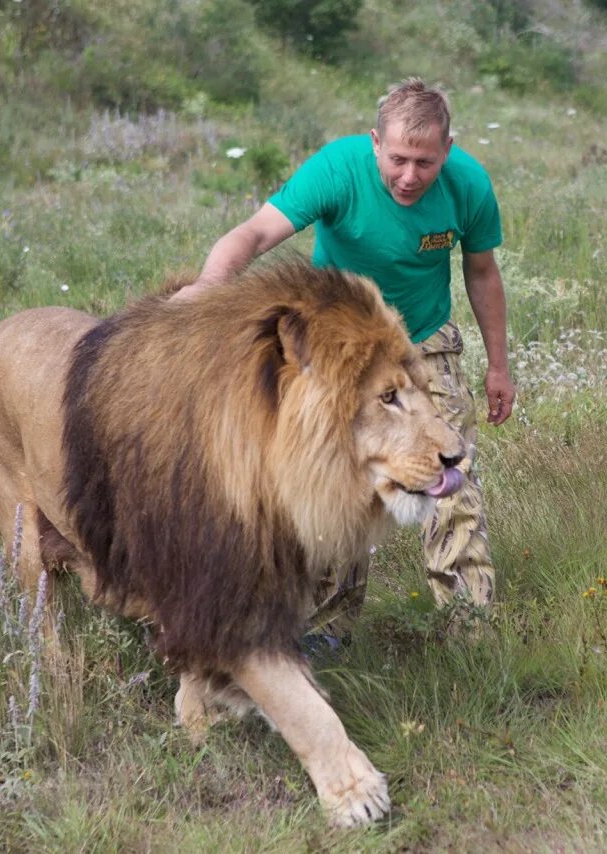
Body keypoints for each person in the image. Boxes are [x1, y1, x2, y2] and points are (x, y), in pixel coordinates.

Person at [172, 77, 514, 631]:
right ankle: (330, 631)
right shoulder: (337, 169)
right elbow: (257, 234)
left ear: (447, 151)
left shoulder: (469, 185)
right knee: (340, 480)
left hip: (422, 343)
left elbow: (482, 273)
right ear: (374, 142)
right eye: (397, 159)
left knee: (448, 472)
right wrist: (211, 285)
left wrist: (498, 367)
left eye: (424, 163)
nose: (409, 177)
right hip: (344, 351)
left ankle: (468, 627)